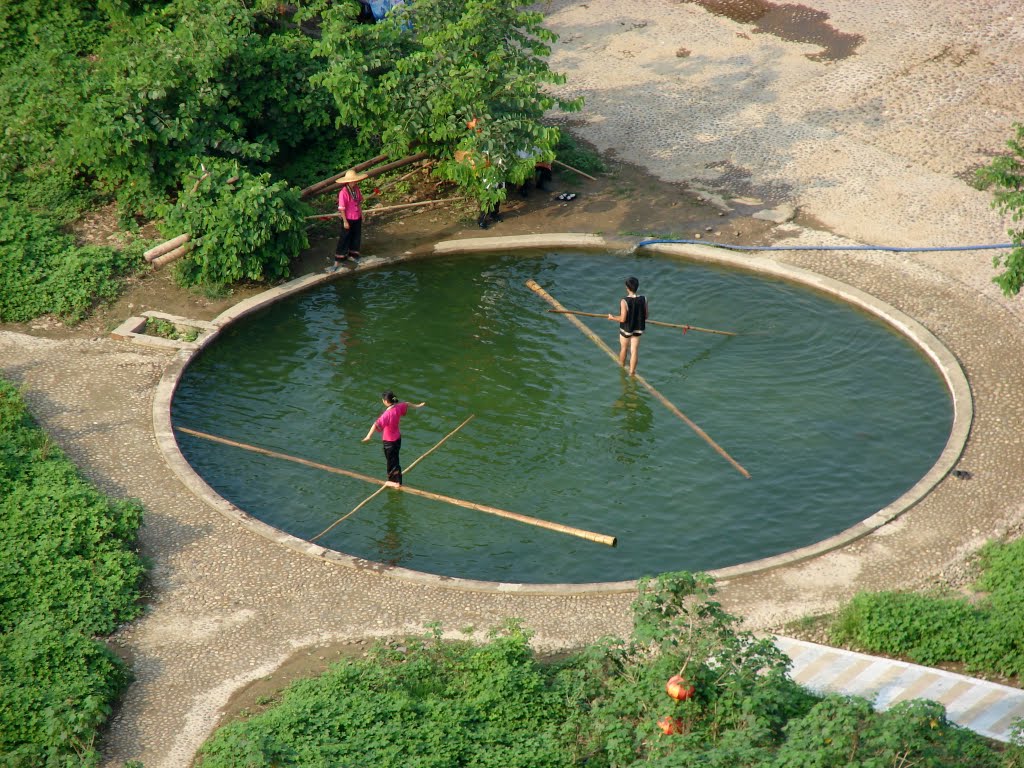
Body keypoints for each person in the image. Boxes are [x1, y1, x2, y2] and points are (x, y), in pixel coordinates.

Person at [362, 391, 426, 487]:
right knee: (395, 460)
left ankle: (395, 483)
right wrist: (418, 406)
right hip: (397, 439)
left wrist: (368, 436)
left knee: (391, 462)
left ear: (386, 401)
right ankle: (397, 480)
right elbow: (407, 404)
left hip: (389, 442)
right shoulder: (398, 407)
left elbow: (376, 425)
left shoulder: (387, 414)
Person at [607, 276, 648, 376]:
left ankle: (621, 367)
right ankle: (632, 372)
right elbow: (646, 316)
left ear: (627, 288)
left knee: (624, 348)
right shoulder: (644, 299)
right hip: (638, 328)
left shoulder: (624, 301)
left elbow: (623, 319)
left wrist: (612, 318)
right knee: (634, 351)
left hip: (627, 329)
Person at [333, 168, 368, 270]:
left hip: (357, 217)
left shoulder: (356, 189)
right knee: (344, 238)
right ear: (348, 181)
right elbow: (342, 208)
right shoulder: (343, 192)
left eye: (355, 180)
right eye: (353, 180)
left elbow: (359, 202)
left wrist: (362, 214)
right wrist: (344, 221)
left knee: (356, 236)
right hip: (348, 218)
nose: (355, 182)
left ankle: (353, 255)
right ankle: (338, 260)